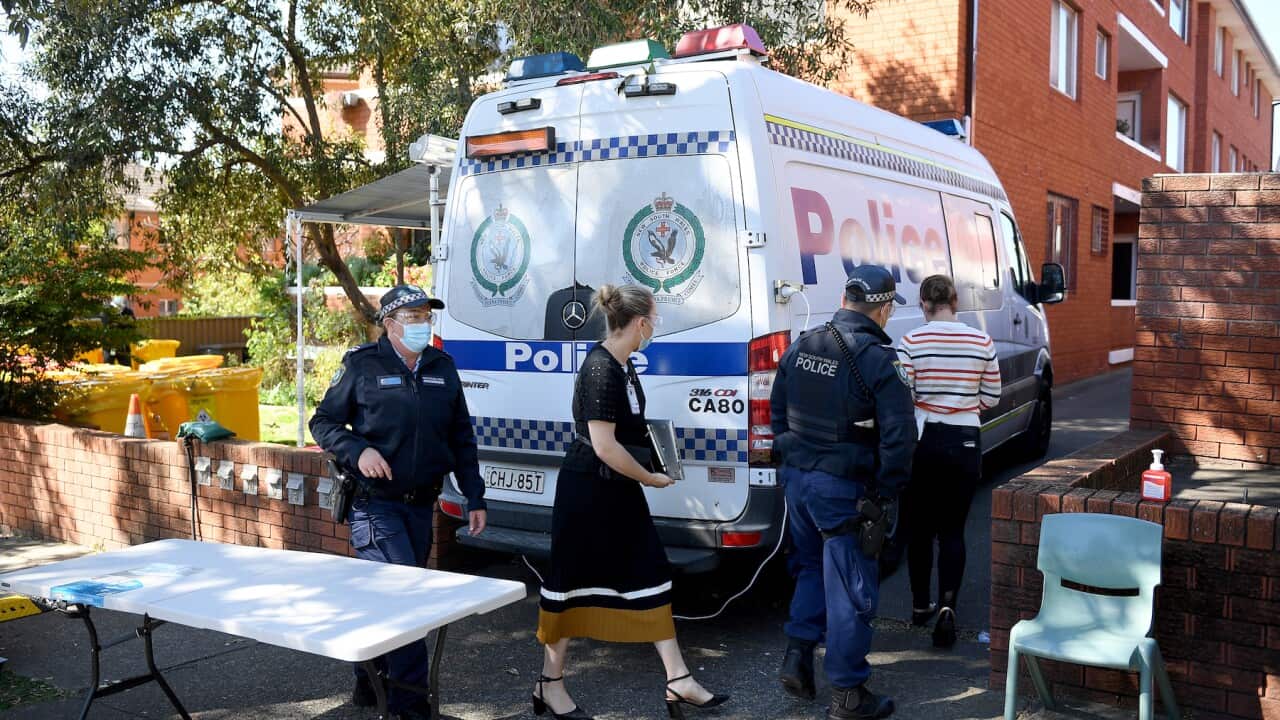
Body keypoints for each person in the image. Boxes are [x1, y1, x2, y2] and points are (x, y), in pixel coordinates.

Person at [533, 284, 728, 720]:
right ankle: (550, 684)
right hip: (589, 492)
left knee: (650, 572)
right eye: (654, 321)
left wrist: (662, 454)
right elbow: (603, 445)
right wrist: (651, 479)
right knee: (570, 586)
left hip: (615, 489)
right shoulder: (602, 369)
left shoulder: (621, 366)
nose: (655, 328)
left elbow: (628, 431)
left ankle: (678, 679)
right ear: (640, 323)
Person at [309, 284, 487, 720]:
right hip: (375, 506)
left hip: (419, 505)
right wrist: (359, 451)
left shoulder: (443, 368)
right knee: (408, 598)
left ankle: (366, 676)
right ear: (389, 324)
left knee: (382, 599)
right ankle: (410, 707)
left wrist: (474, 496)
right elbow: (324, 422)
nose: (423, 324)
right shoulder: (362, 366)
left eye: (426, 315)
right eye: (413, 317)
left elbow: (461, 437)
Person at [771, 265, 917, 720]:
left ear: (846, 297)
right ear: (885, 306)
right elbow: (900, 438)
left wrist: (792, 455)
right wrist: (886, 489)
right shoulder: (878, 358)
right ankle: (849, 695)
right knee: (851, 589)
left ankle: (797, 656)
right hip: (844, 487)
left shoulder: (803, 344)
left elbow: (777, 411)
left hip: (798, 482)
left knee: (811, 568)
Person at [895, 275, 1001, 648]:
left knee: (919, 530)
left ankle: (921, 605)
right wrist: (964, 406)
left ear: (923, 303)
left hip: (925, 442)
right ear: (955, 300)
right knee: (953, 530)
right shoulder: (981, 341)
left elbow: (902, 395)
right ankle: (948, 606)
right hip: (965, 441)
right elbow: (992, 397)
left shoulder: (910, 342)